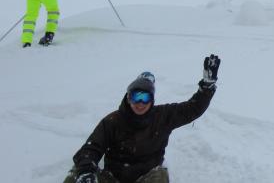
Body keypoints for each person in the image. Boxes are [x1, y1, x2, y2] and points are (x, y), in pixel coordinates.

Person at [64, 55, 221, 183]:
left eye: (145, 98)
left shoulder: (163, 116)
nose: (140, 103)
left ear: (152, 99)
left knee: (159, 176)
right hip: (112, 178)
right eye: (135, 97)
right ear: (128, 98)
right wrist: (86, 171)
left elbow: (192, 109)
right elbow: (91, 148)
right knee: (76, 175)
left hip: (147, 177)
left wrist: (207, 87)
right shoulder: (112, 121)